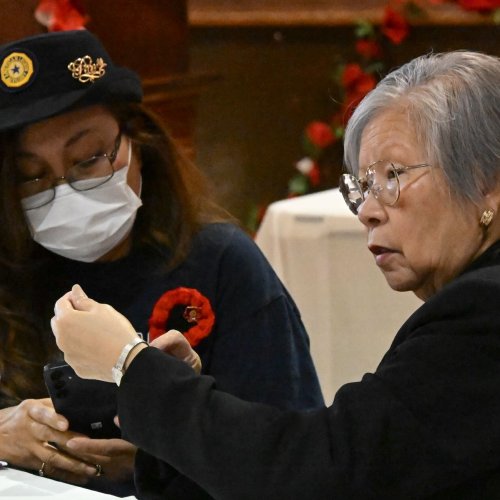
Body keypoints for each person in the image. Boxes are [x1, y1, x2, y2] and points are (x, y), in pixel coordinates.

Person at [52, 49, 500, 499]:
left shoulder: (482, 313)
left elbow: (319, 474)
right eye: (361, 187)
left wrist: (129, 363)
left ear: (488, 182)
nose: (366, 210)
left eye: (392, 175)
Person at [0, 29, 324, 496]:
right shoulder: (11, 271)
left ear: (140, 145)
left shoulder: (221, 264)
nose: (64, 191)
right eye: (32, 177)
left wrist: (166, 462)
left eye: (88, 159)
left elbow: (293, 452)